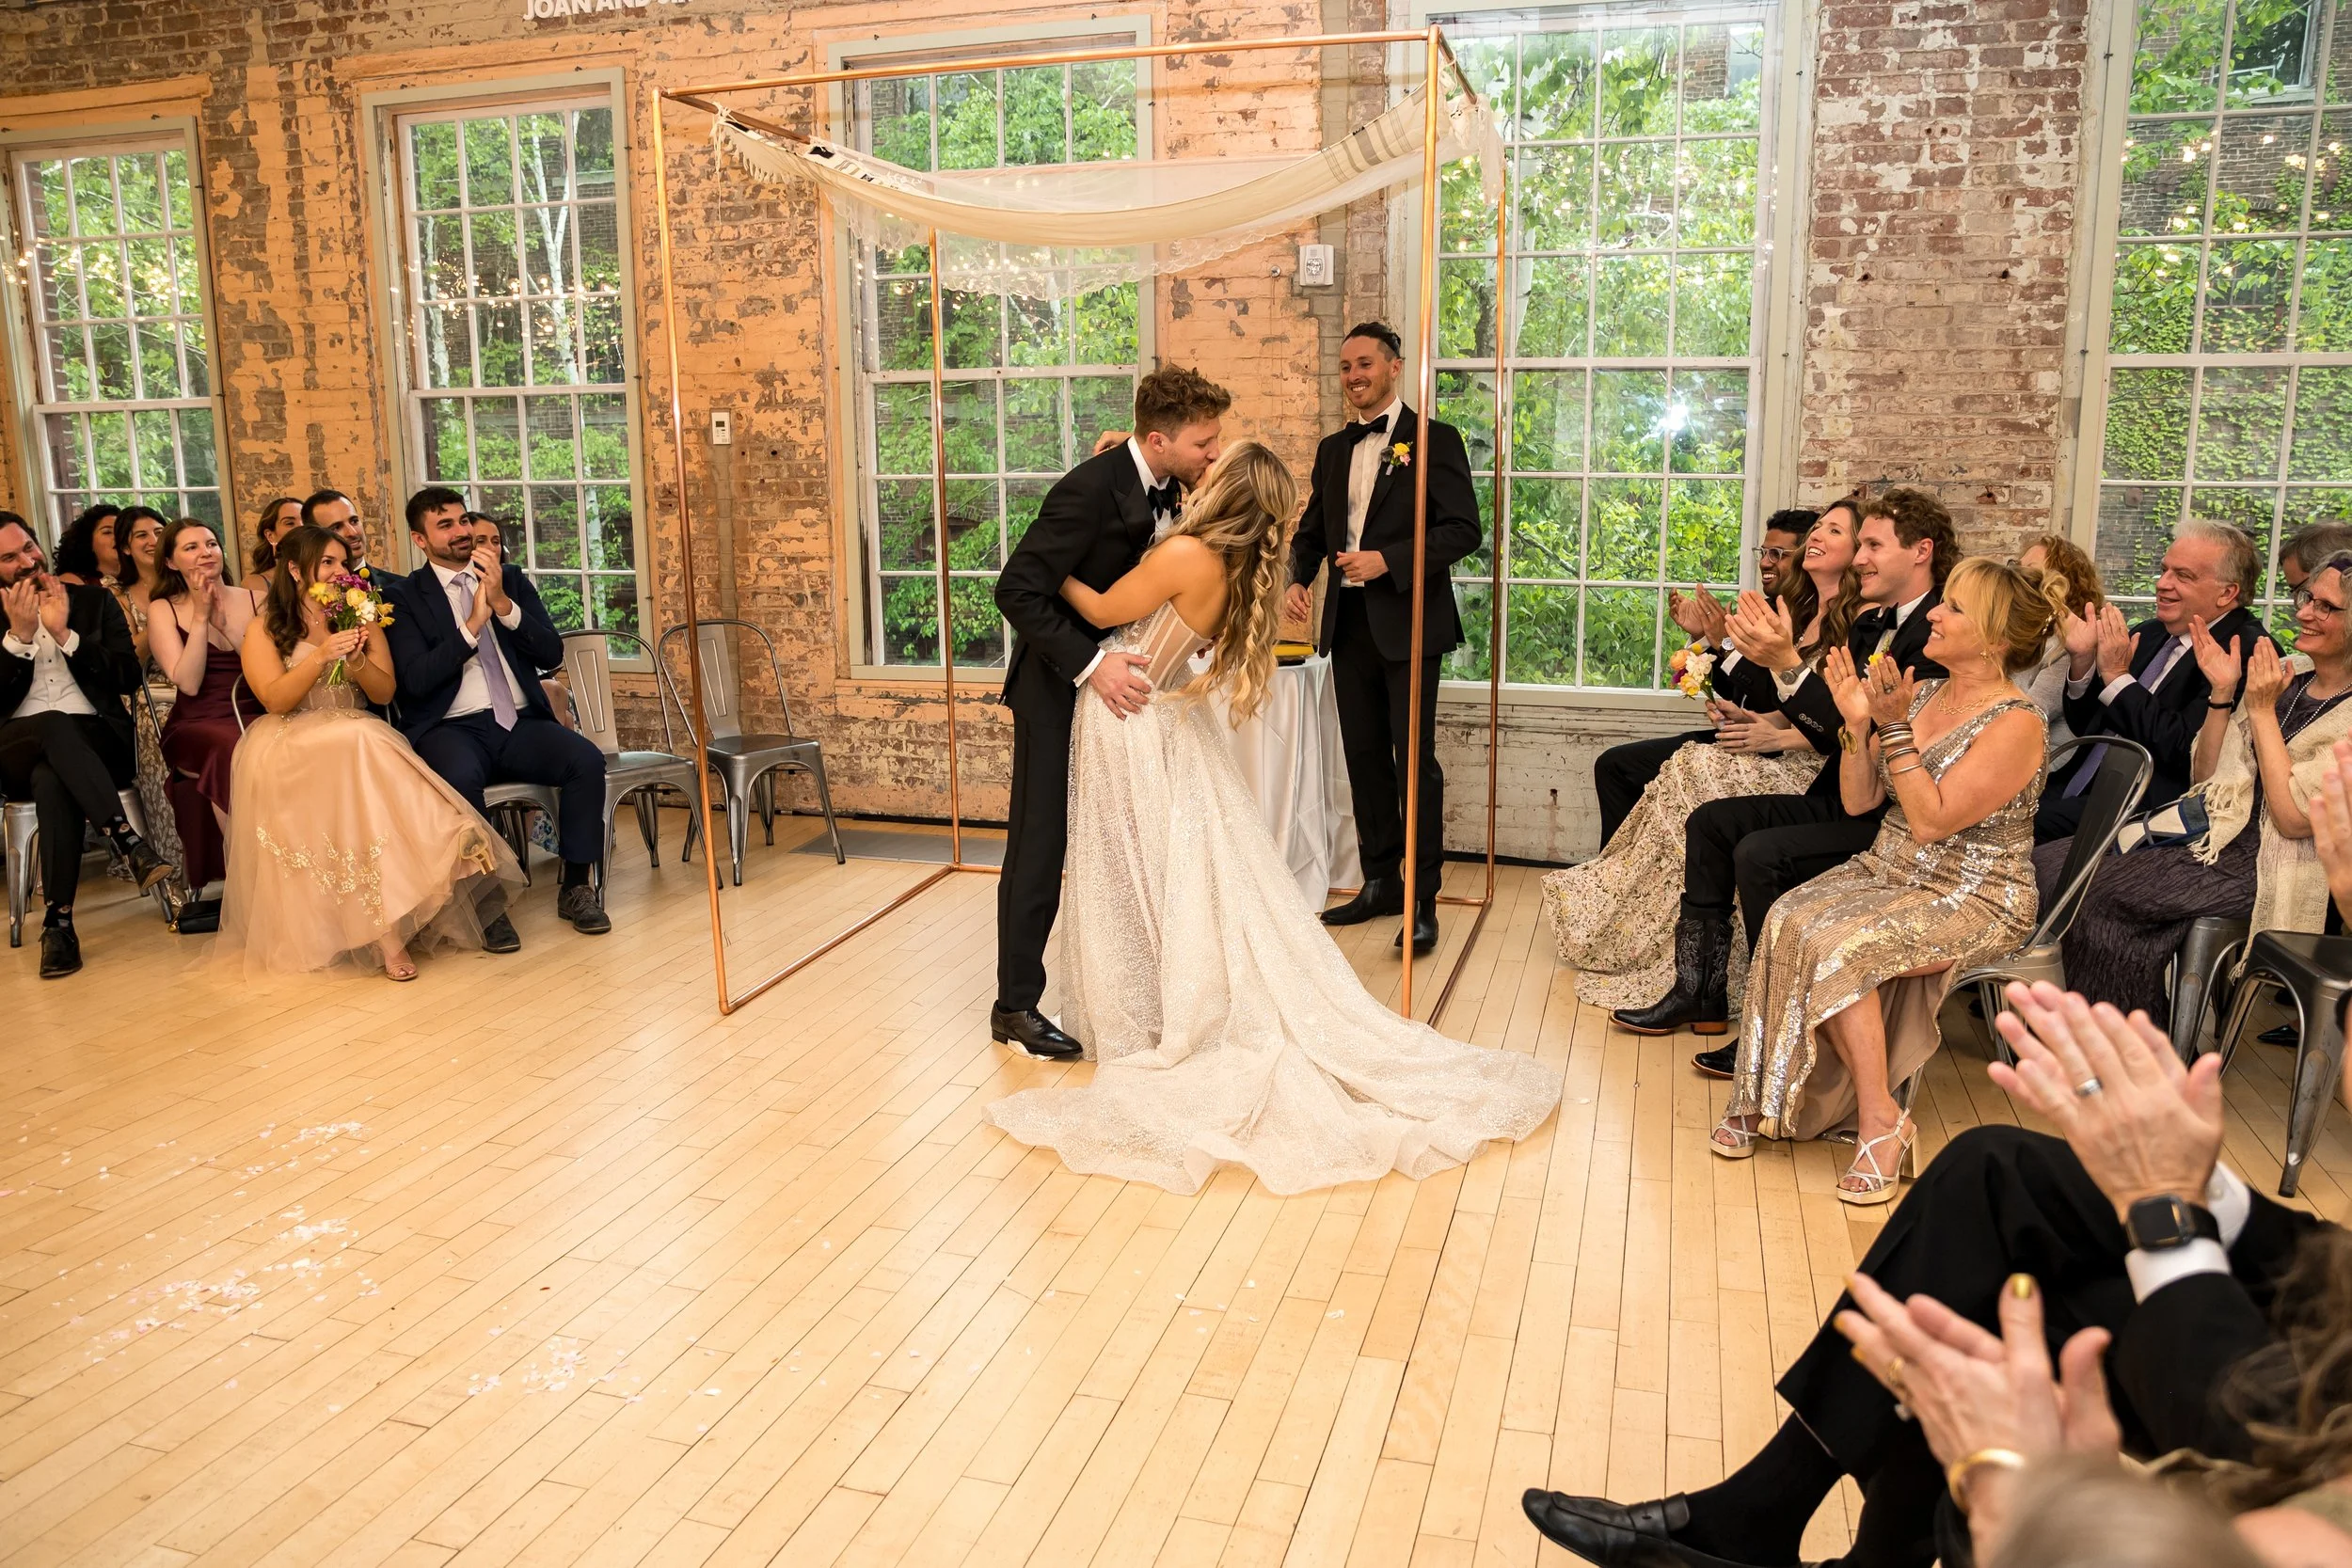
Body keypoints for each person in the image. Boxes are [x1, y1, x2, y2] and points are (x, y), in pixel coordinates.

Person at [1523, 980, 2342, 1568]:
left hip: (2322, 1423)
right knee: (1993, 1176)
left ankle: (1778, 1525)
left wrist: (2168, 1215)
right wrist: (2203, 1187)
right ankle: (1779, 1519)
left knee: (1998, 1302)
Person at [983, 441, 1559, 1193]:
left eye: (1214, 468)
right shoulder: (1228, 567)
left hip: (1131, 722)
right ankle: (1176, 992)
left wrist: (1041, 551)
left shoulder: (1186, 555)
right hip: (1168, 728)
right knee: (1187, 872)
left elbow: (1096, 607)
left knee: (1140, 868)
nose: (1204, 467)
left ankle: (1160, 1005)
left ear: (1224, 491)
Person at [1711, 558, 2056, 1201]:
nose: (1934, 614)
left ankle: (1880, 1121)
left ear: (1994, 635)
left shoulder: (2017, 722)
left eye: (1953, 607)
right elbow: (1860, 800)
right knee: (1789, 913)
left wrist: (1890, 724)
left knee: (1843, 944)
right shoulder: (1922, 693)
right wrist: (1859, 724)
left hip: (1973, 892)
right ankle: (1768, 1090)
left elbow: (1931, 821)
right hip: (1890, 866)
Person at [1615, 487, 1956, 1040]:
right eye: (1860, 543)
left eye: (1871, 544)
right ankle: (1697, 992)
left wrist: (1787, 667)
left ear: (1921, 551)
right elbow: (1839, 724)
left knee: (1755, 849)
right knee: (1710, 822)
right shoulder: (1875, 624)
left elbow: (1843, 728)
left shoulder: (1934, 635)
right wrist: (1746, 655)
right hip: (1844, 783)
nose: (1861, 558)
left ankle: (1772, 1026)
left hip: (1892, 815)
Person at [990, 366, 1229, 1062]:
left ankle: (1129, 989)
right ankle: (1015, 1005)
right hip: (1057, 691)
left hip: (1125, 709)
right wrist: (1092, 666)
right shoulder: (1086, 489)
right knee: (1041, 846)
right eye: (1203, 444)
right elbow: (1017, 588)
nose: (1213, 454)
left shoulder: (1173, 487)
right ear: (1158, 438)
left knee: (1120, 849)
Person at [1545, 503, 1861, 1015]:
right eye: (1769, 549)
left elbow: (1836, 718)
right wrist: (1713, 649)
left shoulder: (1857, 625)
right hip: (1756, 736)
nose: (1772, 559)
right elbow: (1761, 691)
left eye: (1834, 531)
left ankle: (1692, 970)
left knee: (1693, 769)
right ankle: (1632, 915)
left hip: (1805, 764)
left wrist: (1773, 725)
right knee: (1666, 766)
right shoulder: (1795, 611)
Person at [2039, 553, 2352, 1027]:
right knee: (2052, 862)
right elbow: (2205, 780)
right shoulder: (2291, 674)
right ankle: (2065, 1028)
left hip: (2269, 863)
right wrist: (2223, 695)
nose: (2304, 612)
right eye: (2307, 597)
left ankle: (2131, 1052)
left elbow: (2290, 820)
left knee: (2098, 892)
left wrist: (2262, 710)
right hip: (2211, 831)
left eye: (2326, 607)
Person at [223, 524, 519, 980]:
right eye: (328, 563)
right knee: (360, 746)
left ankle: (395, 922)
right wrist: (321, 657)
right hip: (292, 740)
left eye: (343, 562)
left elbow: (383, 694)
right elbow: (275, 700)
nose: (342, 571)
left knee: (362, 745)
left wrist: (357, 659)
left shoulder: (361, 614)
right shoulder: (265, 627)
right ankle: (442, 846)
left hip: (354, 734)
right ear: (297, 570)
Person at [1285, 322, 1483, 957]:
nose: (1353, 376)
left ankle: (1421, 902)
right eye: (1345, 367)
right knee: (1363, 759)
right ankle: (1376, 880)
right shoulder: (1332, 448)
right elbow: (1315, 525)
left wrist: (1387, 561)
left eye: (1364, 363)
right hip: (1348, 627)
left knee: (1412, 764)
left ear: (1395, 367)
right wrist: (1298, 576)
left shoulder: (1436, 441)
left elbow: (1463, 530)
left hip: (1412, 626)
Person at [386, 486, 612, 942]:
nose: (460, 532)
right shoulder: (405, 596)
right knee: (459, 780)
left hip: (519, 722)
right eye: (444, 525)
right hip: (451, 727)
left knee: (585, 761)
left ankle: (575, 887)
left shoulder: (507, 577)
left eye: (462, 521)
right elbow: (414, 680)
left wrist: (504, 605)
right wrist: (471, 626)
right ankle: (488, 903)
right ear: (420, 540)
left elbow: (550, 651)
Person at [0, 513, 173, 978]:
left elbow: (127, 676)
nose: (25, 561)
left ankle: (59, 926)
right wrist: (17, 639)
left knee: (53, 776)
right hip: (13, 746)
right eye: (9, 557)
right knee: (50, 726)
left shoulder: (93, 601)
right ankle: (127, 841)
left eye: (29, 548)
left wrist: (64, 634)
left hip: (97, 740)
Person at [1588, 507, 1819, 847]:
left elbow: (1775, 698)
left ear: (1805, 558)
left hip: (1777, 750)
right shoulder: (1763, 608)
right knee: (1615, 765)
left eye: (1777, 554)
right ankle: (1617, 864)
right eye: (1763, 552)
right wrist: (1703, 639)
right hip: (1740, 732)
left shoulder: (1817, 617)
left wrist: (1722, 644)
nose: (1766, 563)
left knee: (1628, 767)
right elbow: (1737, 688)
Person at [2036, 519, 2269, 844]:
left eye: (2183, 576)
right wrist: (2082, 660)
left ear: (2227, 593)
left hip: (2140, 807)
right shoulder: (2151, 632)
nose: (2162, 583)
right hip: (2074, 782)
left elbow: (2186, 750)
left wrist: (2118, 677)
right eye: (2164, 570)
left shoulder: (2245, 651)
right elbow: (2086, 723)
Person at [147, 517, 262, 899]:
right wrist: (199, 618)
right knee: (229, 747)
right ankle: (251, 877)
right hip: (198, 721)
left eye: (210, 544)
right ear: (170, 562)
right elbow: (189, 682)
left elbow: (268, 670)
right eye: (191, 547)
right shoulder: (163, 609)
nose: (205, 553)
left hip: (257, 707)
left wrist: (227, 626)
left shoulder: (255, 599)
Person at [469, 510, 574, 729]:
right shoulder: (444, 594)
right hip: (474, 705)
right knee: (563, 717)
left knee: (558, 700)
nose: (491, 548)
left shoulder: (513, 580)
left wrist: (503, 604)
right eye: (481, 541)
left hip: (520, 697)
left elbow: (552, 653)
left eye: (496, 541)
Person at [2013, 533, 2103, 748]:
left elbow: (2026, 717)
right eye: (2016, 567)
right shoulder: (2024, 632)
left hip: (2046, 764)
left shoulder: (2069, 645)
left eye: (2030, 572)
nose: (2016, 578)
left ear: (2062, 586)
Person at [113, 508, 167, 666]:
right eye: (142, 535)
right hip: (147, 684)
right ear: (125, 547)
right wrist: (162, 617)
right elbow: (132, 657)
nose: (154, 541)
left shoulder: (187, 581)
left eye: (159, 532)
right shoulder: (118, 593)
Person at [302, 489, 380, 584]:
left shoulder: (400, 589)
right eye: (336, 527)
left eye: (354, 521)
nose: (353, 533)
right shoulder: (297, 595)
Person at [51, 502, 122, 588]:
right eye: (107, 532)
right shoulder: (72, 581)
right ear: (88, 541)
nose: (117, 537)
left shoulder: (136, 578)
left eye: (121, 531)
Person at [251, 496, 303, 576]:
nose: (302, 527)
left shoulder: (325, 577)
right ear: (270, 535)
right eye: (290, 523)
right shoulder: (255, 583)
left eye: (306, 521)